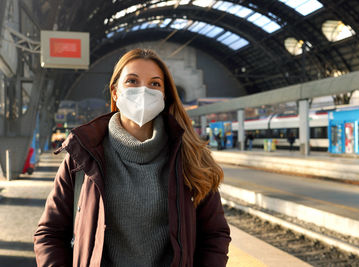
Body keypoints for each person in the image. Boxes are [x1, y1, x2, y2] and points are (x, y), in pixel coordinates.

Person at [34, 48, 231, 267]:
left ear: (164, 96)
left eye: (155, 84)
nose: (143, 91)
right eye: (132, 81)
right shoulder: (81, 157)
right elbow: (49, 233)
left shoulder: (191, 158)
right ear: (115, 92)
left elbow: (215, 235)